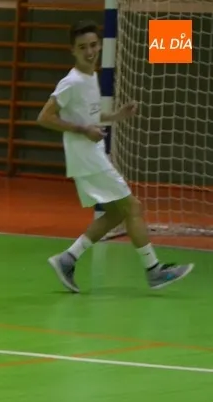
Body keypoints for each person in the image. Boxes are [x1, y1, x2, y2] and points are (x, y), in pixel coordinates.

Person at [38, 20, 193, 292]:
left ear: (100, 45)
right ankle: (154, 270)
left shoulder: (91, 77)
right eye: (82, 47)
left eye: (93, 45)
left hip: (90, 155)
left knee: (113, 214)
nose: (89, 52)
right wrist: (83, 130)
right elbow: (45, 117)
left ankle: (67, 259)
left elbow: (90, 114)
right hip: (87, 156)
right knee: (133, 207)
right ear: (72, 50)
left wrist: (117, 115)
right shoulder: (71, 81)